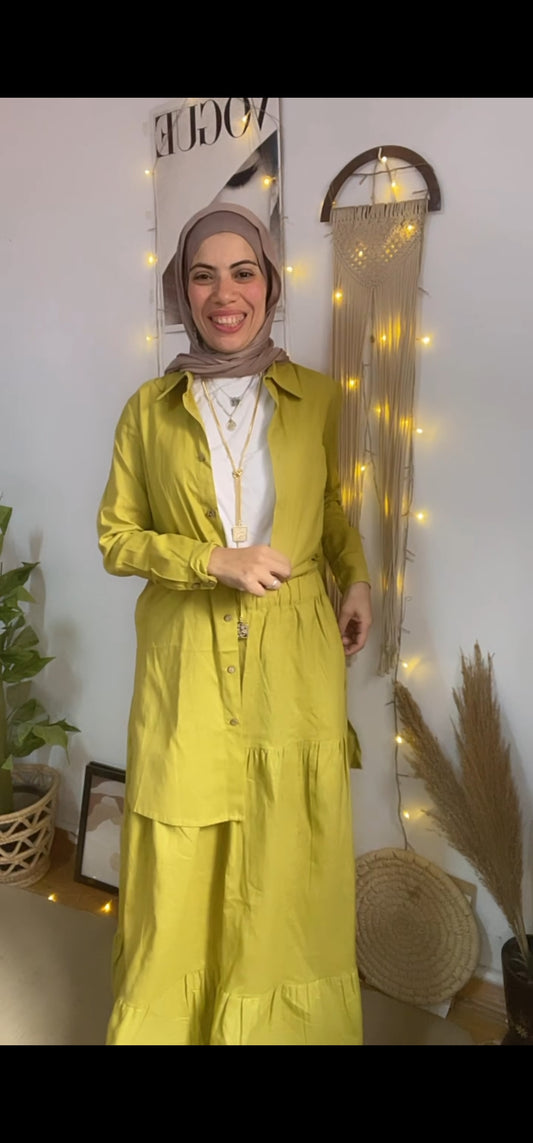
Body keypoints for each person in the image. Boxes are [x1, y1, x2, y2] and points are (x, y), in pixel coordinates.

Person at [97, 200, 372, 1046]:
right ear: (181, 291)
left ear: (270, 284)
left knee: (289, 853)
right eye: (203, 275)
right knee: (181, 845)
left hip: (294, 656)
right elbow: (116, 538)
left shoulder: (316, 396)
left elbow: (329, 505)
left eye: (243, 272)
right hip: (185, 653)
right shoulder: (148, 408)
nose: (225, 294)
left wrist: (356, 579)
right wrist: (210, 558)